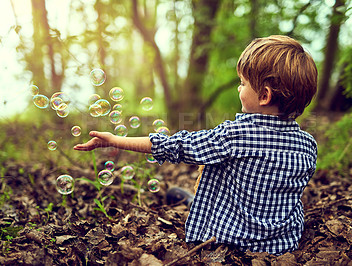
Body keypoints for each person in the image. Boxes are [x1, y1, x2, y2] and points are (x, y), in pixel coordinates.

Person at [74, 35, 318, 255]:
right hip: (281, 245)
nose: (238, 87)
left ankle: (192, 201)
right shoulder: (308, 145)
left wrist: (115, 140)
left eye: (243, 83)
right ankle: (192, 200)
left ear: (264, 96)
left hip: (231, 240)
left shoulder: (237, 134)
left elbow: (177, 146)